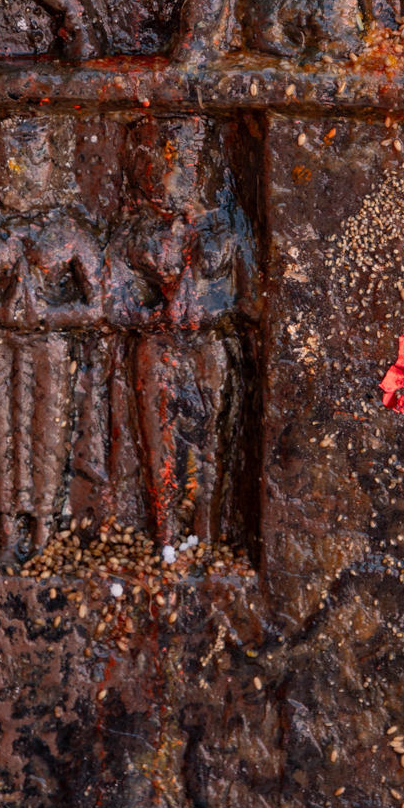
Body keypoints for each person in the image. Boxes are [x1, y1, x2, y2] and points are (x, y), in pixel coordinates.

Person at [0, 115, 102, 565]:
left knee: (47, 434)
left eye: (31, 156)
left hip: (51, 342)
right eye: (6, 158)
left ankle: (43, 529)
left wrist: (47, 314)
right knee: (2, 435)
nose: (18, 167)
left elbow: (98, 305)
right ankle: (6, 529)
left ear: (50, 163)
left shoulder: (68, 231)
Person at [106, 117, 256, 548]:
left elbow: (250, 302)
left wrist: (204, 311)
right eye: (158, 162)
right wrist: (154, 313)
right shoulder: (134, 231)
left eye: (183, 166)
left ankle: (207, 530)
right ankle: (164, 533)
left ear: (201, 169)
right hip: (155, 344)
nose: (170, 177)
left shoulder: (224, 231)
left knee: (211, 444)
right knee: (159, 445)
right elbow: (114, 304)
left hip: (208, 345)